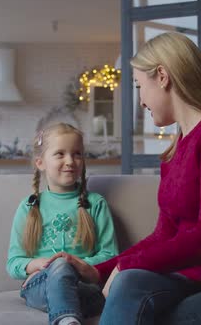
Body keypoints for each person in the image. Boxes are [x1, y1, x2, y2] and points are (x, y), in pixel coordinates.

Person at [45, 32, 201, 325]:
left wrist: (126, 264)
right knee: (129, 285)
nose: (140, 101)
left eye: (140, 86)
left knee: (140, 306)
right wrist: (101, 270)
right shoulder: (175, 150)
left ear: (162, 76)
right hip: (198, 281)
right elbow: (164, 235)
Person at [6, 123, 119, 325]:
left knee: (66, 268)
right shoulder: (29, 206)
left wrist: (77, 264)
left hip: (84, 286)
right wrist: (36, 265)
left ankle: (66, 316)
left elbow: (110, 256)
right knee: (59, 266)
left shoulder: (96, 204)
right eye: (60, 154)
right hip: (41, 285)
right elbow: (13, 263)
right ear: (40, 162)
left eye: (77, 154)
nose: (70, 161)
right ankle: (67, 319)